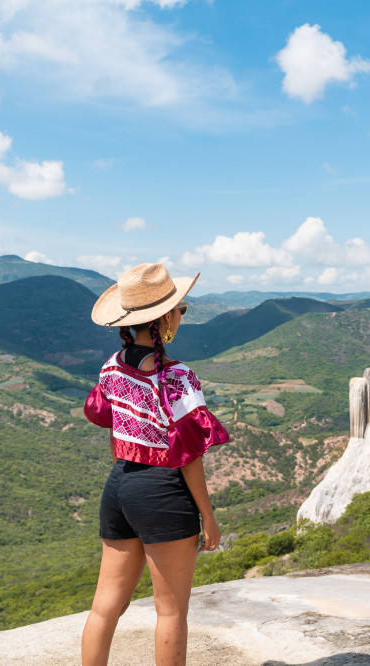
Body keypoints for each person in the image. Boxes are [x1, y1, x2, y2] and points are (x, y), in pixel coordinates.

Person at [80, 263, 229, 666]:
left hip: (120, 485)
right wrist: (208, 517)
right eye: (181, 309)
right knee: (171, 611)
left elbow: (108, 420)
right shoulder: (178, 377)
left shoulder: (111, 366)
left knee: (104, 607)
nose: (182, 315)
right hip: (162, 492)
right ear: (164, 318)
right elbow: (190, 455)